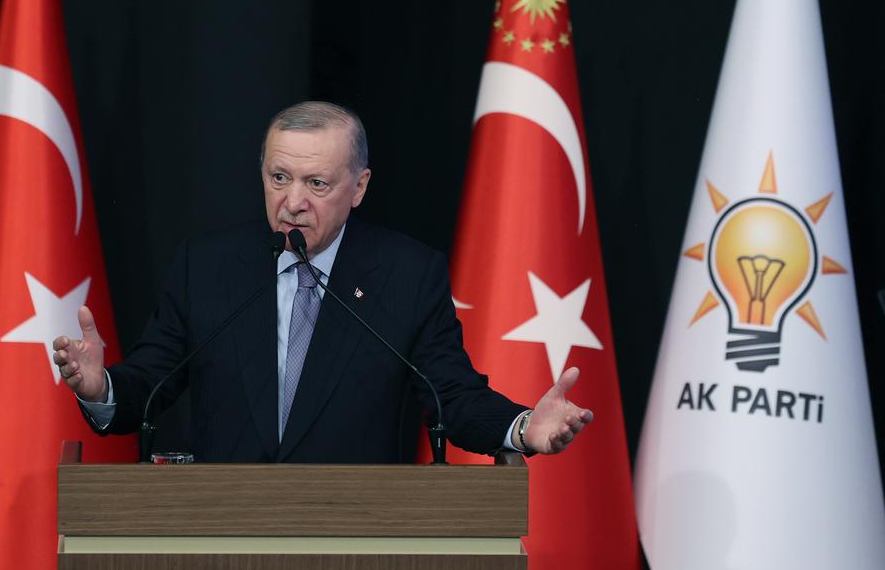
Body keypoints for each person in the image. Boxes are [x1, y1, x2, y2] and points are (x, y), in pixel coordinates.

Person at [52, 101, 591, 462]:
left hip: (358, 548)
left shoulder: (405, 274)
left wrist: (522, 427)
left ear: (358, 187)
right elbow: (149, 387)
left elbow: (449, 395)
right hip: (220, 541)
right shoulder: (208, 267)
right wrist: (102, 388)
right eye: (279, 178)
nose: (292, 202)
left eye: (317, 183)